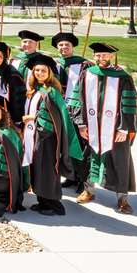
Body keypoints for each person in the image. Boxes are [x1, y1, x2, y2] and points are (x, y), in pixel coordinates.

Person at [67, 42, 137, 213]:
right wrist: (81, 123)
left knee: (120, 161)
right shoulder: (87, 74)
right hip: (91, 127)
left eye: (105, 55)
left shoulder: (122, 77)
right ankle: (89, 191)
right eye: (98, 55)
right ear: (94, 57)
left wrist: (124, 128)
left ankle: (122, 198)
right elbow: (78, 98)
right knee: (89, 159)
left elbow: (130, 103)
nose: (101, 58)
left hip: (114, 129)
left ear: (112, 56)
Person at [21, 53, 83, 216]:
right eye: (36, 71)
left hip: (47, 137)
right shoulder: (37, 89)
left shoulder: (51, 91)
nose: (39, 73)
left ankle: (53, 204)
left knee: (47, 170)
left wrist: (32, 119)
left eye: (43, 71)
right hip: (36, 136)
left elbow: (51, 117)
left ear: (50, 73)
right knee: (38, 168)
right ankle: (42, 201)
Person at [52, 32, 92, 193]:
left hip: (77, 112)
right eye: (60, 45)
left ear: (73, 47)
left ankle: (84, 180)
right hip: (60, 110)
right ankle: (71, 176)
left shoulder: (84, 65)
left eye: (66, 45)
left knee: (80, 146)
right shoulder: (54, 65)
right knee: (65, 146)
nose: (63, 47)